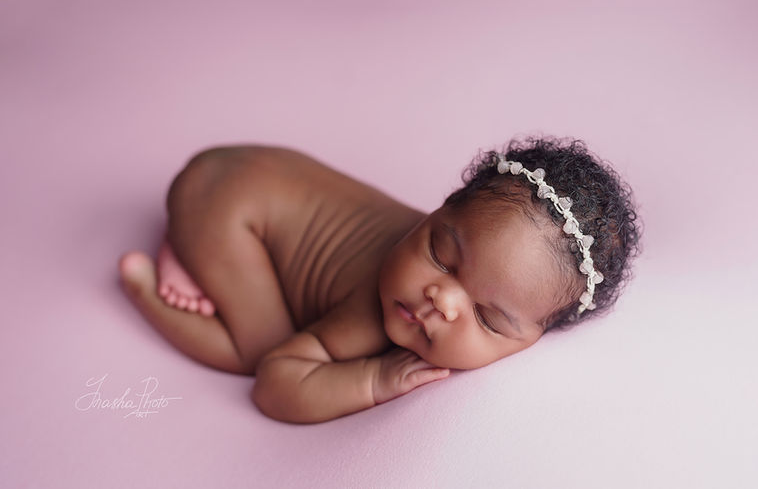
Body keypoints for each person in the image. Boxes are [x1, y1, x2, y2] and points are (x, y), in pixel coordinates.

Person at [118, 137, 641, 423]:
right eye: (439, 254)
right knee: (257, 349)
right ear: (437, 212)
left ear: (535, 338)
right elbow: (276, 384)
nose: (441, 300)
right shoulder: (371, 314)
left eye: (485, 317)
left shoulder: (480, 249)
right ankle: (152, 279)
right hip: (224, 205)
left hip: (250, 166)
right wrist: (372, 380)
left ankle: (197, 248)